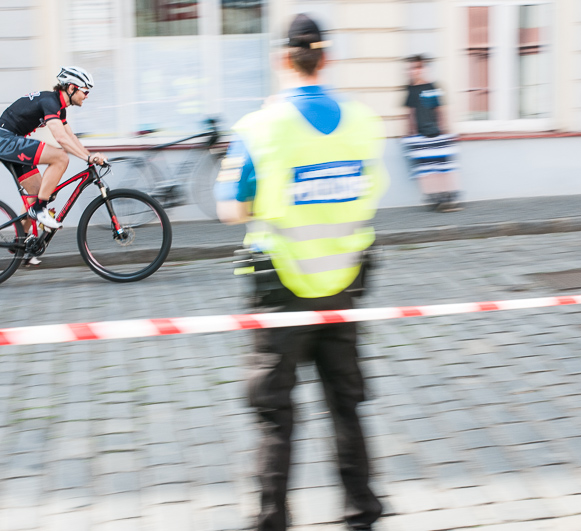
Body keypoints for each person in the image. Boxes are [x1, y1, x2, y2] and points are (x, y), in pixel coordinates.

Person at [215, 14, 387, 531]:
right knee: (346, 404)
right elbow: (369, 194)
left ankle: (272, 519)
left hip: (280, 290)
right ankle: (362, 513)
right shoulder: (364, 122)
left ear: (281, 60)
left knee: (275, 413)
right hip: (344, 284)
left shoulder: (259, 127)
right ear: (326, 58)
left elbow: (230, 209)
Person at [0, 66, 107, 231]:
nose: (87, 96)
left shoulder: (59, 107)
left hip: (8, 140)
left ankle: (21, 242)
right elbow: (61, 138)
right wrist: (87, 158)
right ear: (72, 88)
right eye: (85, 91)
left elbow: (71, 137)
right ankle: (39, 210)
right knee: (61, 157)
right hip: (4, 140)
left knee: (39, 193)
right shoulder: (51, 103)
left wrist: (90, 156)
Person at [401, 54, 462, 212]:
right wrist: (409, 133)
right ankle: (436, 198)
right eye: (411, 68)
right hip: (420, 135)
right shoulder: (411, 90)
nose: (414, 71)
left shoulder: (433, 87)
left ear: (424, 69)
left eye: (417, 67)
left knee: (443, 168)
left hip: (437, 133)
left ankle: (449, 198)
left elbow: (439, 109)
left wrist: (445, 129)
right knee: (427, 170)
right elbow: (410, 113)